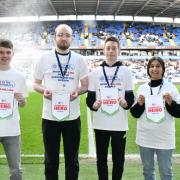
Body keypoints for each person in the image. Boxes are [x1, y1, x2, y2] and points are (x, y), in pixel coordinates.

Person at [33, 24, 88, 180]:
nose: (64, 38)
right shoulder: (44, 59)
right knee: (50, 159)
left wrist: (78, 91)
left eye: (67, 35)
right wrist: (44, 90)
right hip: (50, 117)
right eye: (60, 35)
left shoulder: (80, 60)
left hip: (72, 116)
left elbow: (85, 86)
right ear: (55, 37)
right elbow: (35, 83)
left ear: (72, 38)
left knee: (72, 159)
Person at [86, 36, 134, 180]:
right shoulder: (95, 72)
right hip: (101, 123)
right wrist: (93, 105)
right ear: (103, 50)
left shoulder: (126, 71)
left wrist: (126, 104)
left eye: (114, 48)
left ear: (119, 50)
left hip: (119, 124)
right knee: (101, 159)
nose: (111, 51)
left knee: (118, 160)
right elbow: (90, 98)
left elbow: (130, 97)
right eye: (108, 48)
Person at [130, 57, 180, 180]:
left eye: (158, 66)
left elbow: (178, 113)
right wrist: (139, 104)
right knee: (147, 172)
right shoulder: (142, 88)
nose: (154, 69)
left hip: (164, 138)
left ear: (163, 69)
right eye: (152, 66)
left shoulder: (171, 88)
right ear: (148, 69)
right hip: (145, 137)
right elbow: (135, 113)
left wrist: (170, 103)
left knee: (166, 173)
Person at [0, 39, 28, 180]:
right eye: (1, 52)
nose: (4, 55)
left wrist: (21, 99)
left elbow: (23, 104)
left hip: (12, 130)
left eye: (8, 52)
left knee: (16, 171)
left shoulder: (19, 77)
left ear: (12, 54)